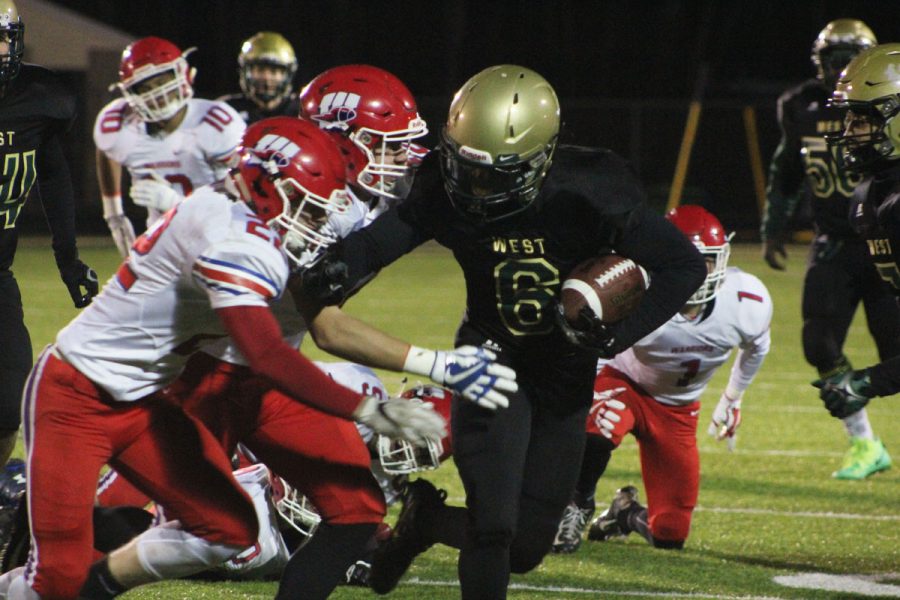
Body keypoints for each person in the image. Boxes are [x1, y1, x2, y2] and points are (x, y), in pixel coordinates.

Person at [300, 64, 707, 599]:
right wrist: (338, 267)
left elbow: (683, 266)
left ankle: (423, 522)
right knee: (494, 526)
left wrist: (612, 335)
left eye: (493, 172)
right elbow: (383, 240)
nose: (473, 185)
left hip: (564, 373)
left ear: (539, 159)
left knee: (527, 547)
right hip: (490, 360)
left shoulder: (588, 192)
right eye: (465, 165)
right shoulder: (444, 187)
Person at [1, 117, 446, 600]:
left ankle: (97, 585)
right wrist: (367, 409)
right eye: (310, 211)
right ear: (269, 187)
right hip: (77, 394)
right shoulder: (230, 237)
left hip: (146, 402)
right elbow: (267, 354)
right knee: (58, 578)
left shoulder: (245, 221)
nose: (317, 226)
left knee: (227, 528)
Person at [551, 205, 772, 553]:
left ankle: (625, 515)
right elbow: (594, 350)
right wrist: (585, 401)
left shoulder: (747, 301)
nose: (696, 273)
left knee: (670, 534)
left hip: (678, 411)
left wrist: (733, 398)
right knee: (599, 428)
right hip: (623, 384)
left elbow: (757, 346)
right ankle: (576, 505)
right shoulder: (631, 292)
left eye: (705, 263)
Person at [760, 19, 895, 480]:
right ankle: (864, 443)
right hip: (837, 240)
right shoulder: (801, 106)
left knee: (895, 351)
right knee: (818, 341)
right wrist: (774, 226)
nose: (850, 129)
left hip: (883, 237)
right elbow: (786, 171)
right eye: (832, 60)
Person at [0, 0, 98, 469]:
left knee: (6, 407)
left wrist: (68, 259)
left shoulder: (41, 98)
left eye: (1, 38)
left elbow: (54, 175)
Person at [95, 36, 246, 257]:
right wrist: (114, 213)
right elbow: (106, 150)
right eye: (145, 87)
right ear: (130, 94)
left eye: (162, 81)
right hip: (162, 247)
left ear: (182, 74)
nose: (158, 93)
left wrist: (175, 204)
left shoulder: (216, 123)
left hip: (220, 243)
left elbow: (246, 200)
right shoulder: (121, 125)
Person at [817, 44, 900, 422]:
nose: (849, 131)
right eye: (849, 119)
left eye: (862, 120)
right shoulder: (870, 196)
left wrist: (867, 382)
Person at [298, 63, 429, 226]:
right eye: (389, 146)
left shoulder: (411, 164)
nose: (403, 157)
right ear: (341, 144)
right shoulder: (314, 214)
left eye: (402, 142)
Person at [219, 31, 300, 124]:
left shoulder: (301, 111)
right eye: (260, 70)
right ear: (245, 72)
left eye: (274, 72)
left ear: (287, 75)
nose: (266, 77)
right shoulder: (228, 109)